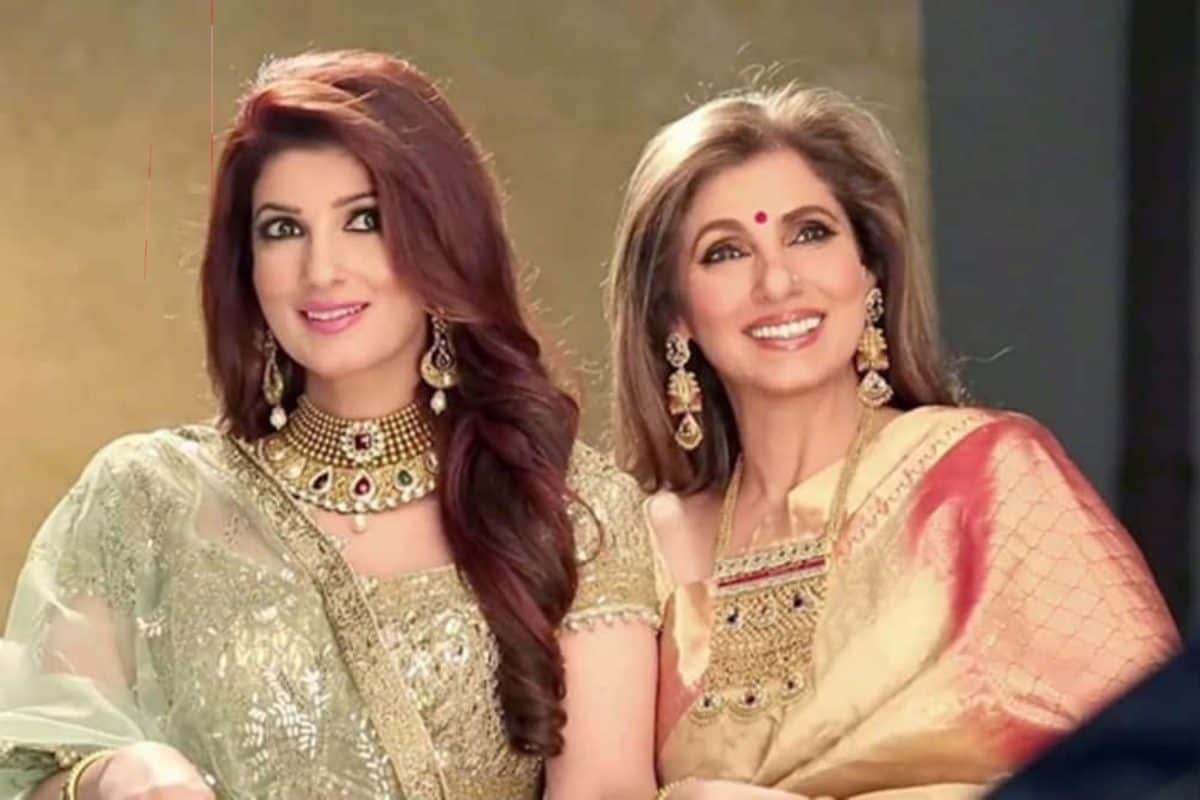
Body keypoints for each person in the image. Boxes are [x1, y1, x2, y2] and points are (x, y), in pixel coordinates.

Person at [0, 50, 658, 800]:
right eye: (283, 229)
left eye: (364, 220)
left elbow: (606, 791)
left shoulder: (568, 508)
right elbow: (29, 773)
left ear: (444, 237)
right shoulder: (149, 500)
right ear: (246, 265)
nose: (321, 270)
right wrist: (119, 775)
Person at [605, 84, 1180, 799]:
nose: (777, 281)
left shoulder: (985, 480)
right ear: (675, 315)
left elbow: (1157, 770)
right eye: (725, 252)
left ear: (870, 270)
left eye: (810, 233)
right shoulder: (640, 554)